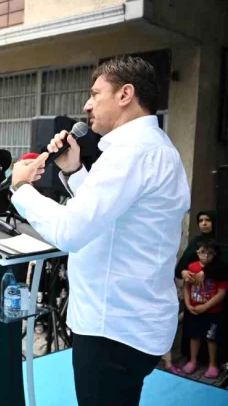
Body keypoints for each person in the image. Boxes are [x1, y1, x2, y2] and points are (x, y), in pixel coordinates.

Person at [10, 56, 190, 405]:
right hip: (129, 322)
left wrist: (21, 190)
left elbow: (70, 230)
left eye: (95, 93)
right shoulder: (152, 148)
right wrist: (75, 170)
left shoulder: (131, 152)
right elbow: (112, 215)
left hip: (113, 329)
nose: (87, 105)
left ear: (125, 94)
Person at [181, 240, 226, 378]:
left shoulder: (219, 270)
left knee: (211, 338)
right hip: (194, 310)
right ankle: (192, 361)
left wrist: (205, 306)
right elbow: (187, 287)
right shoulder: (191, 267)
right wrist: (188, 304)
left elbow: (222, 292)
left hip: (213, 312)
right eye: (202, 252)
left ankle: (213, 365)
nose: (206, 255)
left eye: (210, 253)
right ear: (197, 252)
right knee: (194, 336)